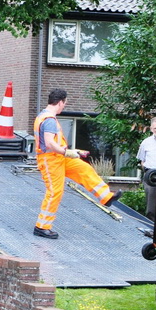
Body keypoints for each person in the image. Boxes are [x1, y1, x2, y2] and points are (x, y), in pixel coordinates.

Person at [33, 89, 122, 239]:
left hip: (58, 158)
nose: (64, 107)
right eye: (64, 103)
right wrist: (67, 153)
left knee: (83, 169)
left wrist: (75, 151)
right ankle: (41, 227)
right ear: (60, 102)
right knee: (55, 192)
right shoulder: (48, 120)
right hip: (51, 160)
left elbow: (56, 144)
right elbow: (49, 144)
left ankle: (105, 197)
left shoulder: (47, 117)